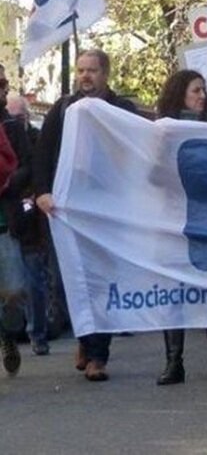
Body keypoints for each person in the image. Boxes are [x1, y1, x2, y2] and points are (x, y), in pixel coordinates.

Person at [33, 49, 138, 382]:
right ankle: (83, 334)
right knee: (69, 280)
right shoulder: (62, 109)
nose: (85, 76)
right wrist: (42, 192)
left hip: (106, 208)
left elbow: (135, 154)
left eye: (92, 70)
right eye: (80, 70)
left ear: (105, 74)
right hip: (66, 209)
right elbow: (42, 154)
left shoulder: (122, 110)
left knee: (101, 280)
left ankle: (98, 355)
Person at [153, 69, 207, 385]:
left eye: (203, 91)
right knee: (173, 291)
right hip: (172, 220)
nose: (202, 96)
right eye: (196, 90)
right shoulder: (162, 133)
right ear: (179, 93)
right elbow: (152, 175)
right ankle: (174, 361)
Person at [6, 94, 51, 356]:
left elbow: (36, 171)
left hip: (29, 219)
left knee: (32, 278)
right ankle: (11, 332)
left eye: (19, 117)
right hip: (11, 217)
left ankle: (37, 332)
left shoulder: (35, 140)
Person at [0, 65, 23, 375]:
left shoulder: (12, 125)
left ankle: (7, 333)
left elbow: (18, 164)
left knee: (15, 291)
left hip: (5, 220)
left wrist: (11, 184)